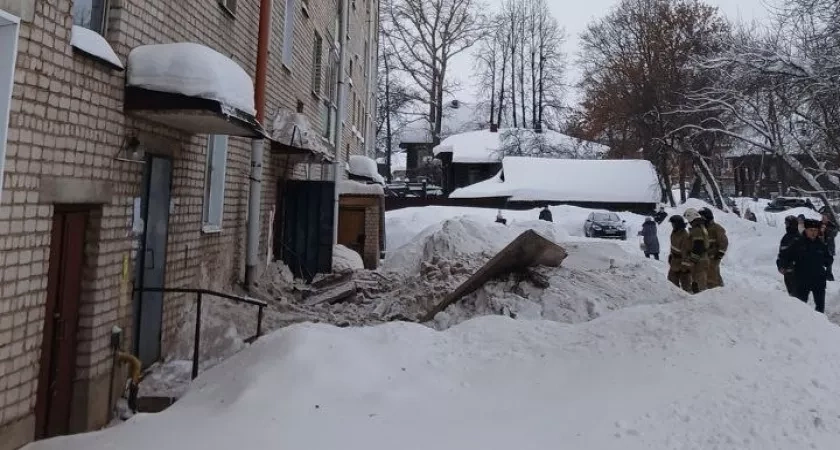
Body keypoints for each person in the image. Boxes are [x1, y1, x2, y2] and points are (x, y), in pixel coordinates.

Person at [789, 219, 833, 313]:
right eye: (811, 230)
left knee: (820, 307)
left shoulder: (821, 244)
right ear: (806, 230)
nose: (813, 232)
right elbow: (787, 257)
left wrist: (826, 261)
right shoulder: (798, 243)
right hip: (802, 281)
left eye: (815, 230)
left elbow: (829, 259)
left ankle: (819, 322)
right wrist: (784, 266)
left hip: (819, 280)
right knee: (800, 307)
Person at [700, 207, 728, 288]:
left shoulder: (717, 228)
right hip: (705, 255)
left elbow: (724, 242)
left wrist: (720, 254)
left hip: (714, 255)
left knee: (711, 272)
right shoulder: (702, 229)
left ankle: (714, 289)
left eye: (703, 217)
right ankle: (720, 286)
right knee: (708, 272)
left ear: (708, 217)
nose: (701, 220)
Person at [684, 208, 711, 293]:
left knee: (700, 284)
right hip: (703, 258)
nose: (688, 222)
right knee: (698, 281)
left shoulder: (696, 229)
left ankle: (702, 299)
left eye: (688, 219)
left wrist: (693, 259)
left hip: (699, 259)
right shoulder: (701, 226)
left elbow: (698, 244)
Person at [776, 215, 801, 297]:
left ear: (792, 224)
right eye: (785, 223)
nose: (786, 225)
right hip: (787, 273)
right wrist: (780, 266)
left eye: (787, 223)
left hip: (796, 273)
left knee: (797, 296)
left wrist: (792, 266)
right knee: (791, 295)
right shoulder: (785, 237)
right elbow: (781, 254)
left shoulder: (799, 238)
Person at [667, 215, 692, 292]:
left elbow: (686, 252)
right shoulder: (674, 232)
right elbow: (674, 245)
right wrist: (671, 255)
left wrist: (685, 266)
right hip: (675, 261)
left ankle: (689, 297)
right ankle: (674, 296)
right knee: (671, 281)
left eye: (673, 224)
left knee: (686, 284)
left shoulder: (684, 235)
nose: (672, 225)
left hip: (682, 263)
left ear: (678, 224)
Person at [819, 207, 837, 281]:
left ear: (828, 218)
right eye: (823, 217)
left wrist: (826, 229)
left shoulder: (831, 225)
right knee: (819, 260)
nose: (824, 218)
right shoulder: (818, 224)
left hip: (829, 246)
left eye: (825, 217)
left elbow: (834, 233)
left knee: (829, 260)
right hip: (820, 246)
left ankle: (829, 275)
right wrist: (820, 231)